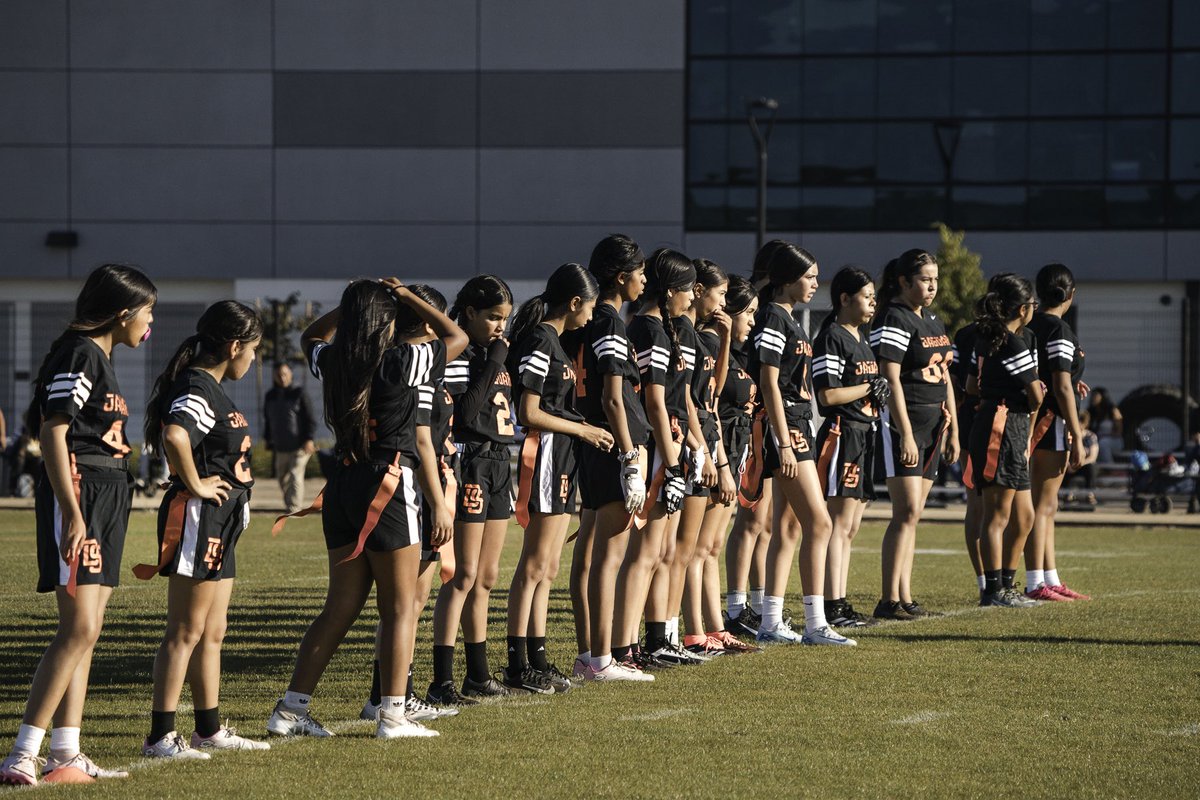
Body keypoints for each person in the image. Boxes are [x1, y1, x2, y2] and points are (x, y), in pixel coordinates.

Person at [267, 278, 466, 740]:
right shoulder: (401, 360)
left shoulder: (337, 360)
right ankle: (393, 715)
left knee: (340, 607)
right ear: (390, 317)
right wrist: (409, 297)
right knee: (400, 609)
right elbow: (455, 336)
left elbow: (309, 338)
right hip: (390, 484)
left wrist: (348, 308)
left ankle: (290, 710)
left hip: (343, 484)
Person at [1, 263, 156, 786]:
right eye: (148, 310)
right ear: (123, 312)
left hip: (108, 493)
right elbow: (53, 429)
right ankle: (23, 752)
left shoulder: (101, 356)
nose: (151, 321)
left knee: (89, 632)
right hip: (82, 491)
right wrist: (71, 511)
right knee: (80, 627)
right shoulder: (81, 351)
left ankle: (65, 753)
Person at [136, 301, 268, 758]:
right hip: (200, 518)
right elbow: (175, 435)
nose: (254, 360)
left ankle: (208, 729)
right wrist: (194, 484)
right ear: (234, 346)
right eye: (253, 349)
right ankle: (160, 736)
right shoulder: (198, 384)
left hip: (222, 521)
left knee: (213, 629)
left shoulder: (212, 386)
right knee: (185, 631)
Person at [502, 264, 612, 694]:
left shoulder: (557, 343)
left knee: (548, 567)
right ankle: (517, 663)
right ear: (573, 302)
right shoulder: (541, 340)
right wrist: (583, 428)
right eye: (589, 306)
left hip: (563, 455)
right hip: (546, 452)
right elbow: (527, 413)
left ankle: (538, 658)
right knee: (534, 565)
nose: (591, 315)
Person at [748, 243, 853, 646]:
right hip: (787, 427)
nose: (815, 284)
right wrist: (783, 442)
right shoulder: (774, 317)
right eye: (809, 277)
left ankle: (771, 621)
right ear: (788, 280)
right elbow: (769, 382)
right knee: (820, 522)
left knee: (790, 527)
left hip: (796, 424)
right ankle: (816, 623)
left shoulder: (788, 317)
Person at [428, 276, 517, 702]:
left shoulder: (492, 351)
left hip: (500, 460)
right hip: (472, 461)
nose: (500, 326)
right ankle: (442, 679)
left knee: (487, 576)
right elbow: (464, 412)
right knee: (461, 574)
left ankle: (478, 674)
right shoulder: (463, 353)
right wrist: (495, 360)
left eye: (505, 319)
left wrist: (497, 356)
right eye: (493, 317)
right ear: (469, 314)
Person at [571, 234, 653, 682]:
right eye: (639, 273)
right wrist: (629, 457)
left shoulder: (593, 322)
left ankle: (592, 654)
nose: (644, 281)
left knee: (594, 555)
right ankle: (602, 659)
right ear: (621, 277)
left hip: (597, 445)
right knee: (608, 556)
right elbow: (614, 398)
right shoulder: (608, 322)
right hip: (611, 445)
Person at [621, 250, 702, 667]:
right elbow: (654, 403)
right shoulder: (649, 329)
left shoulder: (666, 328)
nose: (693, 297)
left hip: (670, 441)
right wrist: (671, 465)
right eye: (688, 289)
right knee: (646, 551)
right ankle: (626, 647)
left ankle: (656, 639)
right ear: (669, 290)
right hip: (655, 446)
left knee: (665, 549)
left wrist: (695, 444)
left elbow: (678, 399)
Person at [869, 249, 959, 620]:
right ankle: (889, 599)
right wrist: (904, 432)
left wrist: (953, 425)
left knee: (915, 513)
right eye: (925, 279)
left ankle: (905, 595)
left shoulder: (933, 320)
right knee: (904, 511)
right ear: (904, 281)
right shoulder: (894, 316)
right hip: (905, 423)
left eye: (935, 278)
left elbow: (946, 374)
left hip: (934, 425)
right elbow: (889, 376)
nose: (932, 285)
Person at [682, 259, 756, 654]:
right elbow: (698, 402)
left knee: (708, 548)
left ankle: (713, 628)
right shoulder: (701, 338)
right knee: (696, 549)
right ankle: (695, 631)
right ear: (699, 291)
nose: (725, 304)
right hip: (703, 450)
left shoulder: (713, 340)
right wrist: (716, 460)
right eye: (723, 295)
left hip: (715, 447)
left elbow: (711, 391)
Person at [812, 267, 887, 629]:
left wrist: (876, 392)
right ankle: (832, 606)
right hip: (843, 433)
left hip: (864, 433)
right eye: (866, 295)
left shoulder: (862, 336)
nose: (873, 302)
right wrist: (869, 389)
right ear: (845, 298)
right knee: (839, 524)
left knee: (851, 526)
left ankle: (839, 602)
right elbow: (827, 395)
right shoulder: (832, 337)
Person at [968, 274, 1044, 607]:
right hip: (1000, 425)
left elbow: (971, 385)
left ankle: (1007, 585)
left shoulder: (1004, 337)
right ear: (1023, 308)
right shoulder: (1008, 340)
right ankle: (993, 590)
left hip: (1008, 423)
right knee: (997, 515)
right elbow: (1035, 394)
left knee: (1024, 515)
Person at [1024, 264, 1091, 602]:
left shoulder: (1029, 324)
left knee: (1043, 506)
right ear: (1070, 294)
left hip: (1030, 420)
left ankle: (1049, 577)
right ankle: (1036, 581)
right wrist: (1078, 435)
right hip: (1050, 423)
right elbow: (1061, 385)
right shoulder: (1059, 330)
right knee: (1043, 505)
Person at [263, 362, 317, 514]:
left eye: (285, 374)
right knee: (282, 478)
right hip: (281, 445)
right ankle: (290, 503)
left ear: (291, 374)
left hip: (299, 445)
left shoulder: (299, 393)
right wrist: (268, 439)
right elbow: (268, 420)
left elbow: (310, 418)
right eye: (279, 374)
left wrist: (309, 439)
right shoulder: (270, 396)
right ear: (274, 375)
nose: (282, 377)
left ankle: (294, 508)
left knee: (295, 474)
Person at [1086, 387, 1123, 464]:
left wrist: (1104, 435)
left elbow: (1119, 432)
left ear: (1103, 397)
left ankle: (1109, 467)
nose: (1093, 398)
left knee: (1103, 443)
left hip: (1113, 440)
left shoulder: (1112, 411)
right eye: (1092, 396)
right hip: (1096, 439)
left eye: (1095, 396)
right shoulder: (1091, 412)